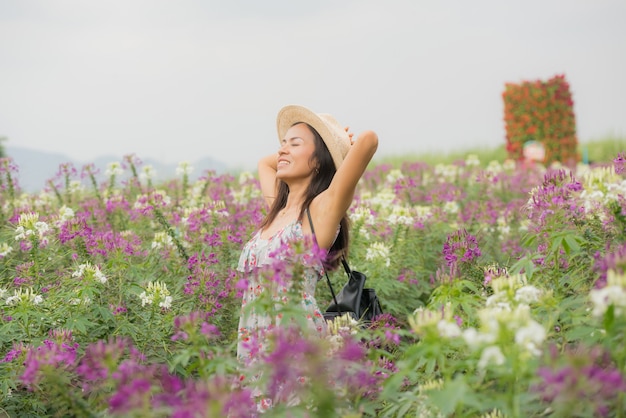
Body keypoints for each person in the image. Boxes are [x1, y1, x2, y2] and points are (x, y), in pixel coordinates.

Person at [236, 104, 378, 364]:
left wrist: (337, 143)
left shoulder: (321, 211)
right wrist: (293, 148)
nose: (282, 150)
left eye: (294, 143)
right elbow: (265, 164)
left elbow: (368, 140)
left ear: (317, 159)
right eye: (282, 143)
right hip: (255, 350)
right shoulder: (278, 210)